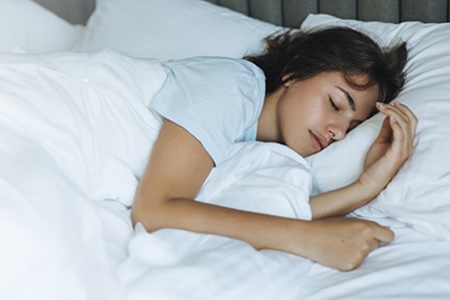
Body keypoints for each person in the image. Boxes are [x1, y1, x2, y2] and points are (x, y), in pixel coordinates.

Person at [131, 27, 417, 271]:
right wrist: (308, 239)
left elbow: (243, 216)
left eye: (352, 127)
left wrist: (366, 186)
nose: (339, 132)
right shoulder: (235, 83)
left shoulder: (264, 154)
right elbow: (155, 210)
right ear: (293, 74)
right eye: (336, 104)